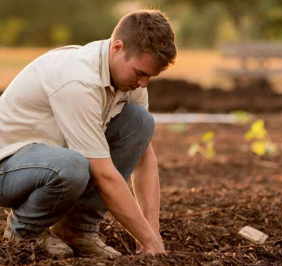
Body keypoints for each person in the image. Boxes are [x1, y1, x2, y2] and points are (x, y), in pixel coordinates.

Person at [0, 9, 177, 258]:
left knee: (140, 122)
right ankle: (25, 232)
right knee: (72, 166)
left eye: (150, 76)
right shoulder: (79, 81)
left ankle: (77, 230)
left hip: (48, 159)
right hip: (8, 167)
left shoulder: (129, 81)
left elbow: (143, 156)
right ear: (117, 48)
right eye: (140, 73)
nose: (144, 84)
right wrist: (147, 240)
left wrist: (152, 232)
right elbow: (103, 174)